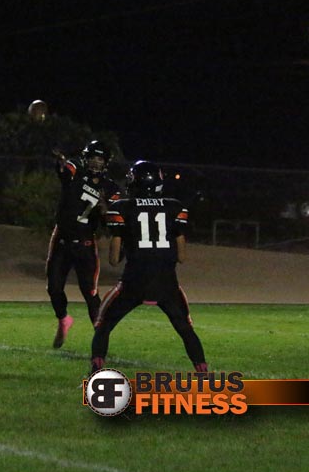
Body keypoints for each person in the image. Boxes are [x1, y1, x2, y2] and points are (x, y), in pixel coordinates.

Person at [90, 160, 208, 374]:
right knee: (185, 328)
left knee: (103, 323)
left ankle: (96, 369)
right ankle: (203, 371)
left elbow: (114, 260)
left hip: (134, 281)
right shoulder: (175, 207)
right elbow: (182, 257)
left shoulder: (122, 207)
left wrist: (123, 237)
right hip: (166, 283)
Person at [46, 140, 121, 349]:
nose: (96, 162)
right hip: (62, 239)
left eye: (100, 159)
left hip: (86, 244)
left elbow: (112, 222)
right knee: (54, 288)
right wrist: (60, 163)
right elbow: (64, 171)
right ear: (86, 158)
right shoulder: (75, 170)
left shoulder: (110, 188)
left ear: (106, 162)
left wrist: (104, 207)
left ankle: (100, 339)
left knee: (90, 293)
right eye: (93, 158)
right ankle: (64, 319)